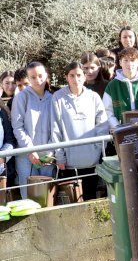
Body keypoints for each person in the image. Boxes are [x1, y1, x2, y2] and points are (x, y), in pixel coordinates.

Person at [50, 61, 108, 200]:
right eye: (72, 75)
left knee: (90, 199)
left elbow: (102, 125)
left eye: (79, 75)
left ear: (85, 76)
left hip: (92, 160)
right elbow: (55, 128)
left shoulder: (93, 97)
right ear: (66, 77)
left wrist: (98, 149)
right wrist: (60, 156)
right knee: (73, 201)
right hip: (69, 163)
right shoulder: (58, 97)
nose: (76, 79)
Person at [11, 62, 55, 199]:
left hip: (47, 156)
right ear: (29, 79)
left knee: (47, 197)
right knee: (28, 197)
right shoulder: (21, 97)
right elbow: (18, 127)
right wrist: (30, 150)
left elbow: (56, 127)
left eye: (40, 76)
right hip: (26, 156)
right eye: (33, 77)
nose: (38, 80)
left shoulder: (53, 98)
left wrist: (50, 150)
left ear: (46, 76)